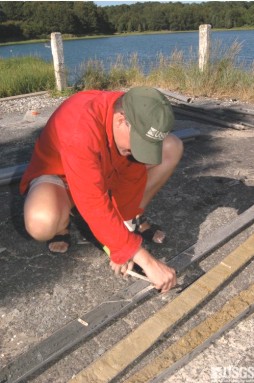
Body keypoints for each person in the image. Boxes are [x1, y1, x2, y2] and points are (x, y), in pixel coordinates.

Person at [20, 86, 183, 293]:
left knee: (171, 147)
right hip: (60, 177)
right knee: (41, 222)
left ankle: (132, 219)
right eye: (137, 143)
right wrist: (144, 259)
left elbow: (131, 174)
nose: (137, 151)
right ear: (121, 119)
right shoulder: (80, 127)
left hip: (102, 173)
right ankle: (62, 223)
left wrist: (121, 241)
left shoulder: (128, 110)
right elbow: (92, 200)